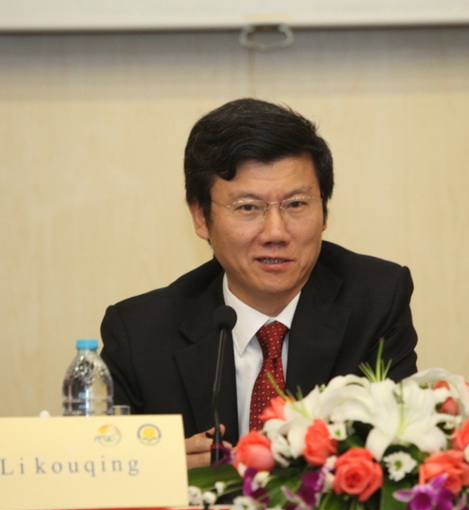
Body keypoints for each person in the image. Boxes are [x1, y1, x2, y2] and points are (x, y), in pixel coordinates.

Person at [100, 98, 418, 469]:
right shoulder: (140, 334)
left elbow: (401, 457)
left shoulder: (376, 300)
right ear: (201, 217)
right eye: (248, 207)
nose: (276, 233)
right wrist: (155, 468)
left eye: (296, 204)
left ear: (324, 211)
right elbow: (103, 470)